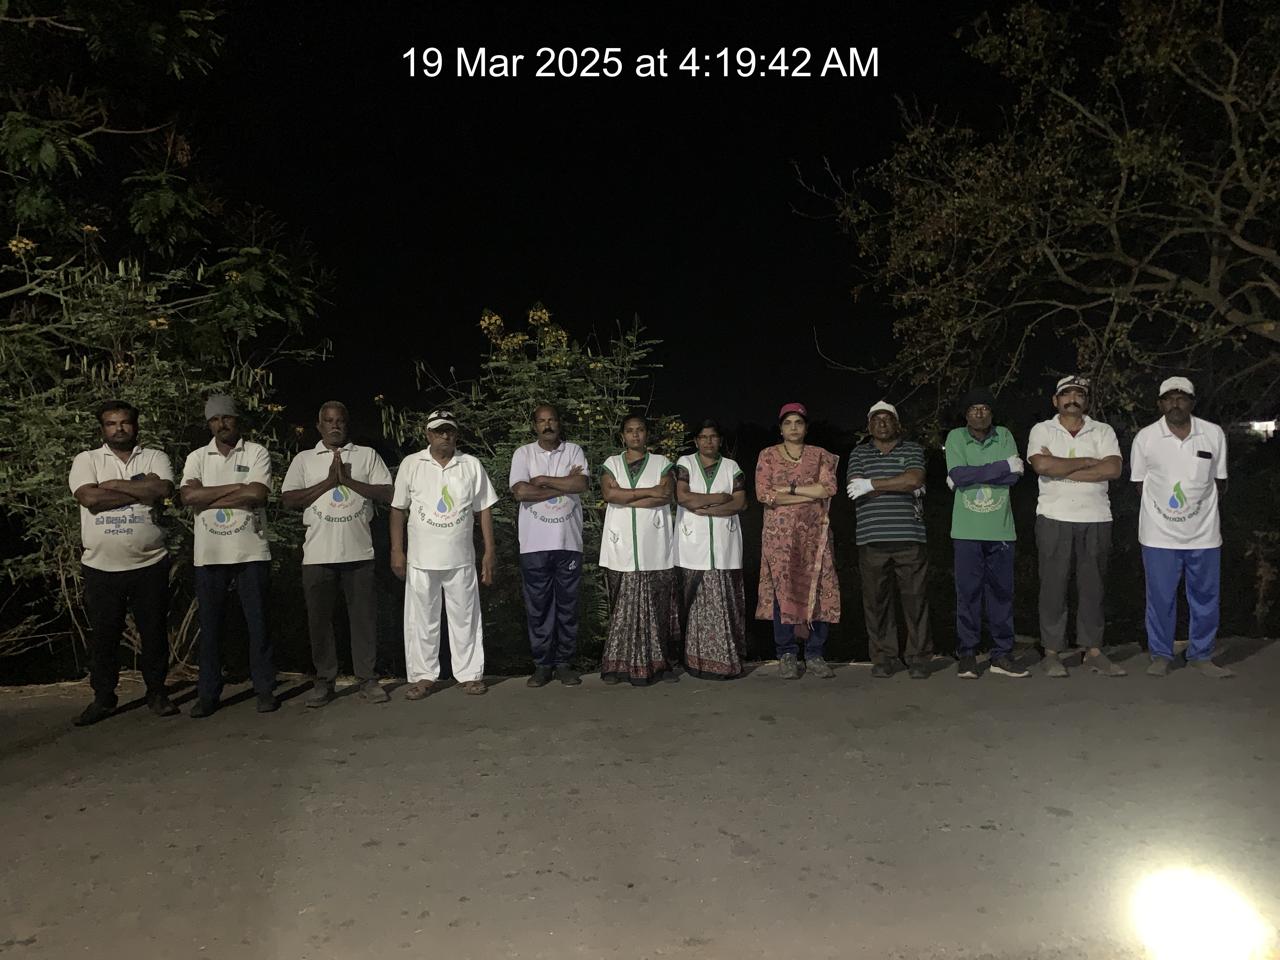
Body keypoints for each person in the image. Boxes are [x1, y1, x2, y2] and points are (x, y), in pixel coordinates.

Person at [68, 400, 178, 725]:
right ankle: (103, 698)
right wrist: (141, 491)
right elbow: (89, 498)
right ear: (102, 429)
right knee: (104, 637)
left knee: (154, 633)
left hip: (150, 562)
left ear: (135, 425)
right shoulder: (87, 459)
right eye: (111, 423)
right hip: (101, 566)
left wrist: (113, 486)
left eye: (125, 422)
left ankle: (157, 693)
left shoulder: (155, 457)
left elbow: (164, 489)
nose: (119, 428)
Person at [281, 401, 394, 706]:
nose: (335, 426)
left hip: (359, 551)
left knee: (363, 620)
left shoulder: (367, 455)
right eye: (329, 421)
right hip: (318, 554)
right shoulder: (305, 459)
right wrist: (330, 482)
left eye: (340, 421)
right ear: (319, 426)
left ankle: (367, 679)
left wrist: (349, 481)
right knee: (320, 622)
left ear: (347, 424)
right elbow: (289, 499)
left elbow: (388, 493)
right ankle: (324, 680)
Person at [1130, 377, 1233, 678]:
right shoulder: (1146, 437)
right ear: (1160, 404)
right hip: (1158, 535)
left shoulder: (1212, 433)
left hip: (1204, 534)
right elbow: (1139, 484)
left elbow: (1220, 481)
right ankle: (1161, 654)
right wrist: (1167, 513)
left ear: (1192, 402)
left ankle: (1202, 654)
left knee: (1205, 597)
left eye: (1182, 398)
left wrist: (1195, 511)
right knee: (1160, 598)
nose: (1175, 404)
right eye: (1169, 399)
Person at [390, 409, 498, 697]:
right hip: (421, 559)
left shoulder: (470, 464)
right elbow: (398, 509)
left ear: (456, 434)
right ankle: (423, 676)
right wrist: (397, 550)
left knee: (466, 618)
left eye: (449, 430)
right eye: (439, 431)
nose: (444, 436)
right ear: (428, 434)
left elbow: (484, 509)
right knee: (421, 620)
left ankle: (470, 674)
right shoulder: (412, 464)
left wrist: (489, 551)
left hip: (460, 558)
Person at [180, 395, 276, 716]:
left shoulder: (256, 452)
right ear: (208, 424)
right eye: (214, 419)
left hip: (251, 551)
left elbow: (257, 493)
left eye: (226, 417)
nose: (221, 424)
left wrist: (207, 498)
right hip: (209, 554)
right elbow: (188, 496)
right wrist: (237, 489)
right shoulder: (197, 457)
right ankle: (208, 694)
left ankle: (264, 689)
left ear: (237, 419)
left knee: (259, 624)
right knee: (210, 628)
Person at [1027, 375, 1126, 678]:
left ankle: (1093, 651)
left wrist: (1061, 468)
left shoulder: (1103, 430)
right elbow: (1041, 466)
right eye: (1066, 394)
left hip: (1096, 517)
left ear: (1086, 400)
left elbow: (1113, 469)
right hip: (1053, 516)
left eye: (1079, 394)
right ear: (1055, 400)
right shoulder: (1042, 429)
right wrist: (1089, 462)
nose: (1072, 399)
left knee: (1093, 588)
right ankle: (1051, 652)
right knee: (1053, 587)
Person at [944, 388, 1029, 679]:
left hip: (1001, 529)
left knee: (1002, 594)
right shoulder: (956, 437)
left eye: (985, 408)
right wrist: (1001, 466)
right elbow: (957, 475)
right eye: (973, 409)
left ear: (991, 414)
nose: (979, 413)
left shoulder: (1003, 435)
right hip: (966, 530)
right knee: (967, 594)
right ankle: (967, 654)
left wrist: (971, 474)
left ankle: (1001, 654)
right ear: (966, 414)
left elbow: (1014, 476)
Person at [846, 401, 932, 679]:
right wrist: (899, 483)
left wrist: (872, 483)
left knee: (916, 601)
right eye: (876, 419)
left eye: (887, 419)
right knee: (876, 602)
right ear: (869, 426)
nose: (882, 423)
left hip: (910, 536)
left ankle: (918, 658)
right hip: (871, 538)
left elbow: (914, 479)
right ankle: (884, 658)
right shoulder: (859, 453)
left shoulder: (912, 449)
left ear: (897, 424)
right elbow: (855, 488)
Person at [755, 402, 841, 679]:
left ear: (806, 427)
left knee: (819, 588)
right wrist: (807, 493)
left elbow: (828, 489)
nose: (793, 428)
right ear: (780, 429)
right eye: (788, 423)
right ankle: (787, 653)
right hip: (779, 539)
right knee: (783, 590)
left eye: (799, 422)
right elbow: (765, 494)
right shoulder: (768, 455)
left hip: (815, 537)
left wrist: (789, 490)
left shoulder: (820, 455)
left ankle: (815, 653)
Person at [509, 404, 589, 687]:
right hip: (534, 544)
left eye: (552, 420)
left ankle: (564, 664)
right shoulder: (524, 453)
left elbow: (581, 484)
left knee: (568, 606)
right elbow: (520, 492)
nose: (548, 425)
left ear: (559, 423)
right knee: (538, 607)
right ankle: (542, 665)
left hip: (568, 542)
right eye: (542, 421)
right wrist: (562, 484)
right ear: (535, 426)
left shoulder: (573, 450)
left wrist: (542, 481)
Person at [599, 413, 680, 685]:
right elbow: (609, 494)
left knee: (656, 608)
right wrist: (648, 491)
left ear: (647, 434)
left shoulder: (662, 463)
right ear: (622, 436)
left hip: (654, 546)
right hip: (619, 546)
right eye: (630, 430)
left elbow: (665, 495)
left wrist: (625, 497)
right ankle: (617, 666)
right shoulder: (611, 464)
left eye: (640, 430)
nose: (635, 435)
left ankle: (658, 664)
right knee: (621, 609)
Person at [674, 419, 748, 679]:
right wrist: (719, 498)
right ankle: (696, 661)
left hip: (725, 545)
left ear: (720, 440)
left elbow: (740, 503)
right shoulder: (685, 463)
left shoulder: (731, 467)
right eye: (703, 437)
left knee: (725, 603)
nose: (708, 441)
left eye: (713, 436)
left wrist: (705, 509)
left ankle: (727, 661)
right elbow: (683, 497)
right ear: (696, 441)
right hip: (691, 545)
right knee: (696, 606)